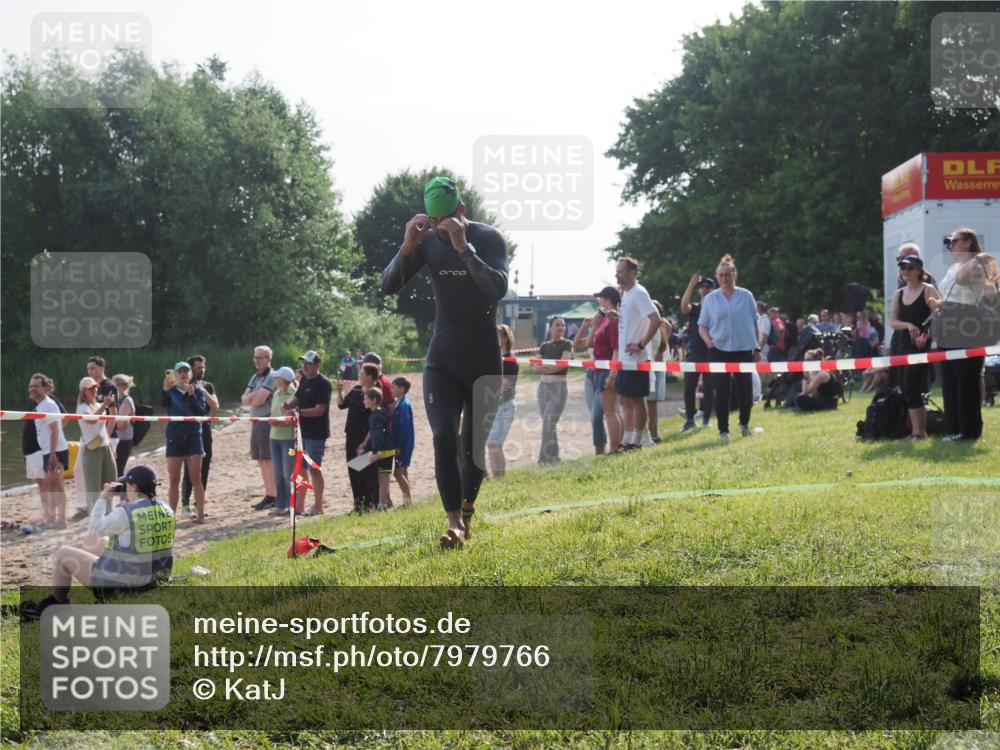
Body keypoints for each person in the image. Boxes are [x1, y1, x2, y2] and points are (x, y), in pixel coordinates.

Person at [381, 175, 508, 548]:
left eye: (447, 221)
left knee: (473, 445)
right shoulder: (426, 241)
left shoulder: (488, 239)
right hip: (442, 359)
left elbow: (497, 287)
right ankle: (452, 523)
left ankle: (467, 515)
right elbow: (388, 286)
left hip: (483, 359)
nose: (440, 230)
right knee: (442, 437)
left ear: (462, 211)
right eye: (434, 223)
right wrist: (407, 246)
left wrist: (463, 247)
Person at [22, 465, 174, 618]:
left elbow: (95, 528)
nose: (125, 489)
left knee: (63, 553)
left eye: (126, 485)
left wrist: (103, 498)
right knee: (91, 543)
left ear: (134, 487)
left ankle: (57, 602)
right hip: (156, 579)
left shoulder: (126, 512)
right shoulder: (167, 510)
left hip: (125, 587)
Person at [929, 228, 998, 442]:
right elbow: (950, 292)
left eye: (954, 241)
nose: (950, 246)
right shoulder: (956, 266)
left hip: (966, 323)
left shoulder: (974, 265)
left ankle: (969, 431)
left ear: (968, 242)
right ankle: (953, 429)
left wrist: (975, 257)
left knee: (966, 381)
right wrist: (937, 303)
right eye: (948, 242)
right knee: (949, 381)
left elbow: (961, 280)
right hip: (948, 322)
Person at [698, 254, 760, 442]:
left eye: (728, 274)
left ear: (735, 275)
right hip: (719, 349)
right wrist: (709, 342)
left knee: (745, 391)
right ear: (717, 277)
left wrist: (756, 347)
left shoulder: (746, 295)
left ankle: (744, 424)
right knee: (721, 391)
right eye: (721, 275)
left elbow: (754, 322)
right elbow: (702, 325)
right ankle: (723, 430)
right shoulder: (710, 299)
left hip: (743, 348)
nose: (724, 278)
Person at [888, 255, 940, 439]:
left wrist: (926, 336)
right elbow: (893, 321)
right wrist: (908, 325)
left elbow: (939, 316)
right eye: (903, 268)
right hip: (901, 344)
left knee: (911, 387)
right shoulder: (899, 294)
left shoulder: (928, 289)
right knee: (904, 388)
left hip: (919, 346)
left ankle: (919, 432)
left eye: (909, 268)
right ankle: (913, 430)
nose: (905, 272)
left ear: (919, 270)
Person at [615, 257, 662, 451]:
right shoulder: (626, 294)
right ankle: (627, 440)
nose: (617, 274)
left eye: (621, 271)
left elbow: (656, 319)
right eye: (617, 270)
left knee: (637, 399)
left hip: (637, 359)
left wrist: (641, 344)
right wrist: (615, 317)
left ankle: (637, 440)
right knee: (625, 399)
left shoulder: (639, 292)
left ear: (632, 273)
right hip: (625, 359)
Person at [282, 350, 332, 516]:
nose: (305, 366)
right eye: (303, 363)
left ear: (317, 365)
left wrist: (297, 412)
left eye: (309, 364)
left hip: (316, 433)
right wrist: (287, 406)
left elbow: (319, 410)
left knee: (314, 469)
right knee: (301, 469)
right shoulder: (303, 380)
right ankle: (299, 506)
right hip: (302, 432)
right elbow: (297, 397)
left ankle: (318, 506)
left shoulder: (323, 383)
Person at [572, 288, 622, 454]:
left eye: (600, 298)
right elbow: (581, 345)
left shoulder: (612, 319)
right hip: (598, 372)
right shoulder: (605, 321)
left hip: (606, 371)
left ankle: (614, 449)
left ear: (606, 299)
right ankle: (606, 449)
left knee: (609, 413)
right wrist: (589, 326)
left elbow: (616, 349)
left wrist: (612, 375)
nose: (598, 301)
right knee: (602, 414)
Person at [161, 362, 208, 522]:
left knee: (196, 478)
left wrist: (192, 395)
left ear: (190, 375)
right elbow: (162, 405)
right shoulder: (171, 391)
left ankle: (200, 515)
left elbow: (202, 412)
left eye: (186, 371)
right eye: (180, 372)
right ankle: (171, 517)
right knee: (174, 479)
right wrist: (165, 391)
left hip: (193, 438)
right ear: (175, 374)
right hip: (174, 438)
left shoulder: (198, 390)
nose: (183, 374)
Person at [338, 363, 380, 512]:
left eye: (361, 374)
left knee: (366, 472)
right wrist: (339, 392)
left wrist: (364, 443)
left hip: (365, 439)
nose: (359, 376)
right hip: (351, 435)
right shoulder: (356, 390)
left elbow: (374, 421)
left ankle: (370, 504)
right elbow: (341, 405)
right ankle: (358, 505)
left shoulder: (375, 394)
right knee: (353, 470)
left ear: (369, 377)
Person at [29, 373, 69, 529]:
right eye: (31, 386)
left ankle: (63, 519)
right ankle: (53, 518)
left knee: (57, 485)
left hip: (56, 451)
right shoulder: (40, 406)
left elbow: (55, 430)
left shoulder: (49, 404)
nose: (32, 389)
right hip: (49, 451)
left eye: (36, 386)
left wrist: (52, 453)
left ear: (45, 388)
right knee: (50, 485)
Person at [181, 355, 219, 518]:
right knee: (189, 470)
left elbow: (216, 406)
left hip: (205, 431)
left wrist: (202, 390)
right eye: (198, 368)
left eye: (203, 367)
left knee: (204, 468)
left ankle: (199, 504)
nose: (201, 370)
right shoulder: (183, 386)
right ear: (191, 369)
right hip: (188, 432)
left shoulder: (208, 385)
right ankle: (185, 504)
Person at [535, 316, 573, 464]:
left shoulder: (567, 344)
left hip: (558, 388)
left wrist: (546, 369)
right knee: (549, 424)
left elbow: (563, 365)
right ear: (550, 327)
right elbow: (536, 368)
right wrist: (551, 368)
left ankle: (544, 459)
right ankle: (554, 458)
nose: (561, 327)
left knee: (548, 422)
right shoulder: (544, 346)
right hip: (543, 388)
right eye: (558, 324)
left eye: (563, 325)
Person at [243, 345, 277, 510]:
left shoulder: (272, 375)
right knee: (261, 459)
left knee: (267, 459)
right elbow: (244, 399)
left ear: (268, 359)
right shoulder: (255, 377)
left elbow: (259, 400)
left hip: (265, 420)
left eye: (260, 357)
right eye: (255, 357)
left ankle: (274, 495)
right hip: (256, 421)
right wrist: (252, 396)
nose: (256, 360)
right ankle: (269, 494)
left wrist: (252, 397)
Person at [77, 376, 118, 513]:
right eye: (90, 388)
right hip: (91, 450)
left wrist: (111, 405)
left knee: (111, 482)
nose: (94, 390)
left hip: (105, 447)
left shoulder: (98, 405)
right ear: (84, 391)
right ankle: (95, 519)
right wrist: (105, 405)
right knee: (93, 488)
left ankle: (108, 514)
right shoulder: (82, 408)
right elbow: (91, 420)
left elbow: (109, 422)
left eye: (95, 387)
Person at [680, 274, 716, 430]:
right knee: (689, 386)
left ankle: (707, 418)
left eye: (708, 287)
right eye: (702, 287)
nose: (704, 289)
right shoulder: (695, 308)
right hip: (694, 352)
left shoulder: (717, 308)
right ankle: (689, 419)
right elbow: (683, 306)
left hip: (711, 351)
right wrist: (691, 284)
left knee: (709, 387)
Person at [487, 324, 521, 476]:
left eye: (498, 335)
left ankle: (498, 479)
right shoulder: (494, 359)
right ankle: (500, 479)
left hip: (505, 405)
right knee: (496, 445)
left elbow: (506, 383)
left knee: (493, 444)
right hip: (496, 406)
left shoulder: (509, 360)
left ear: (505, 338)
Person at [358, 387, 395, 511]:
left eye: (365, 399)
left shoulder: (375, 416)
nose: (364, 401)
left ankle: (382, 504)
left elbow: (378, 435)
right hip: (386, 449)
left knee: (383, 477)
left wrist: (375, 452)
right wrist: (365, 444)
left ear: (373, 400)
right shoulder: (380, 413)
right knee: (382, 477)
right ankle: (382, 502)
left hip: (383, 451)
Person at [268, 367, 298, 516]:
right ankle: (279, 504)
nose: (275, 380)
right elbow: (273, 413)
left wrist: (282, 422)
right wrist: (271, 420)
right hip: (274, 438)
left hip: (289, 439)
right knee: (278, 472)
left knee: (288, 472)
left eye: (277, 377)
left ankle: (290, 504)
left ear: (282, 379)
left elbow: (296, 419)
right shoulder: (276, 394)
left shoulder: (294, 394)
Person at [645, 300, 672, 444]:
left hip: (654, 367)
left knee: (650, 403)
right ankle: (653, 433)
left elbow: (660, 352)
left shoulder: (659, 327)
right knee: (651, 404)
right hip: (657, 367)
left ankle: (653, 433)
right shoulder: (663, 325)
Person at [391, 377, 415, 505]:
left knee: (397, 473)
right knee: (403, 472)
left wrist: (399, 445)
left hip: (404, 444)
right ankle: (407, 501)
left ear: (401, 389)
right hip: (405, 443)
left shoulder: (403, 405)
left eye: (393, 387)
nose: (391, 390)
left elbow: (403, 427)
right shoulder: (399, 402)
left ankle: (408, 503)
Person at [111, 374, 136, 477]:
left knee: (118, 469)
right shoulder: (115, 400)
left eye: (114, 385)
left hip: (123, 439)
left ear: (123, 386)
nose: (111, 388)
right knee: (114, 469)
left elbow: (119, 423)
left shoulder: (126, 400)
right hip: (116, 438)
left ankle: (123, 492)